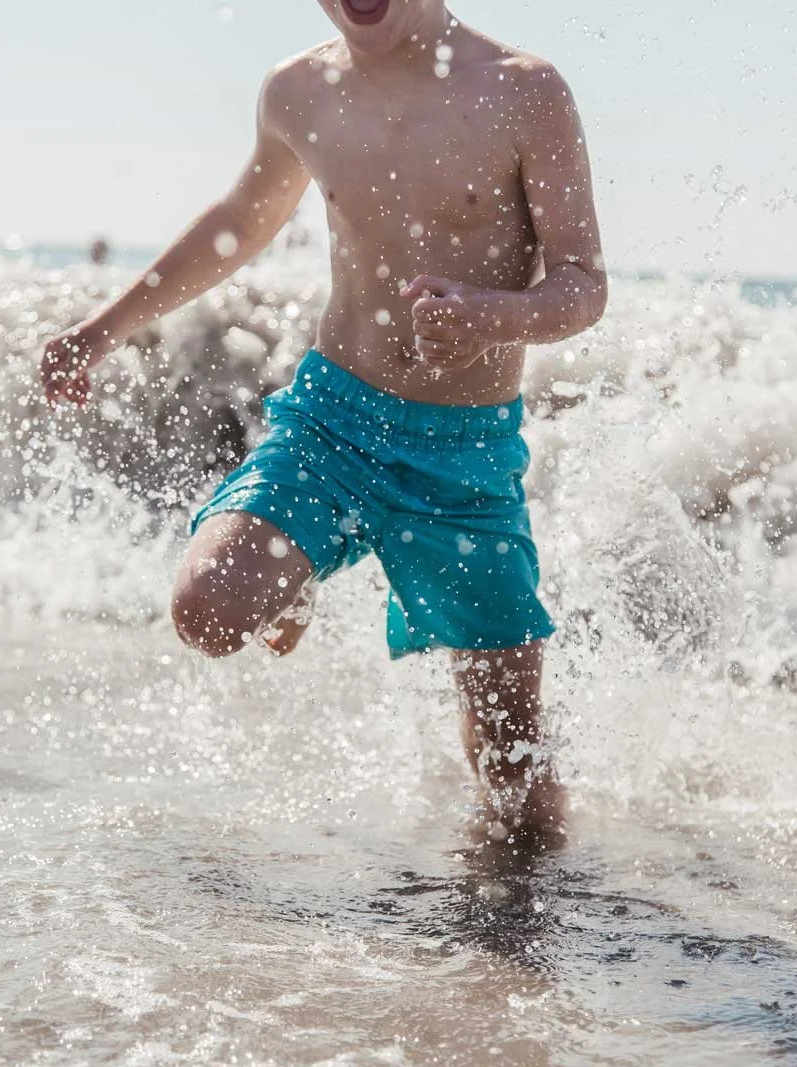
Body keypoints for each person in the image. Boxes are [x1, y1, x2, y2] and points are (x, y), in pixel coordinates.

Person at [39, 0, 606, 849]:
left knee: (513, 773)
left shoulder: (523, 92)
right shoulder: (301, 89)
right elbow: (236, 228)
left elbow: (582, 284)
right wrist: (103, 329)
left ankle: (521, 919)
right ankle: (299, 572)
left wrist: (490, 314)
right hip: (333, 420)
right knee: (208, 608)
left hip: (462, 455)